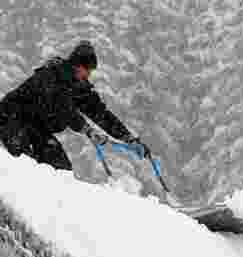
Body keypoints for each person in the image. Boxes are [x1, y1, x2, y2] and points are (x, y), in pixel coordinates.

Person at [0, 41, 151, 172]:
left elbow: (101, 114)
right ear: (77, 65)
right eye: (87, 71)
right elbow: (62, 107)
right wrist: (87, 130)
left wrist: (130, 139)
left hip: (36, 128)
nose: (88, 76)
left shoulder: (79, 87)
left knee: (61, 170)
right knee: (25, 165)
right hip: (10, 120)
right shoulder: (51, 75)